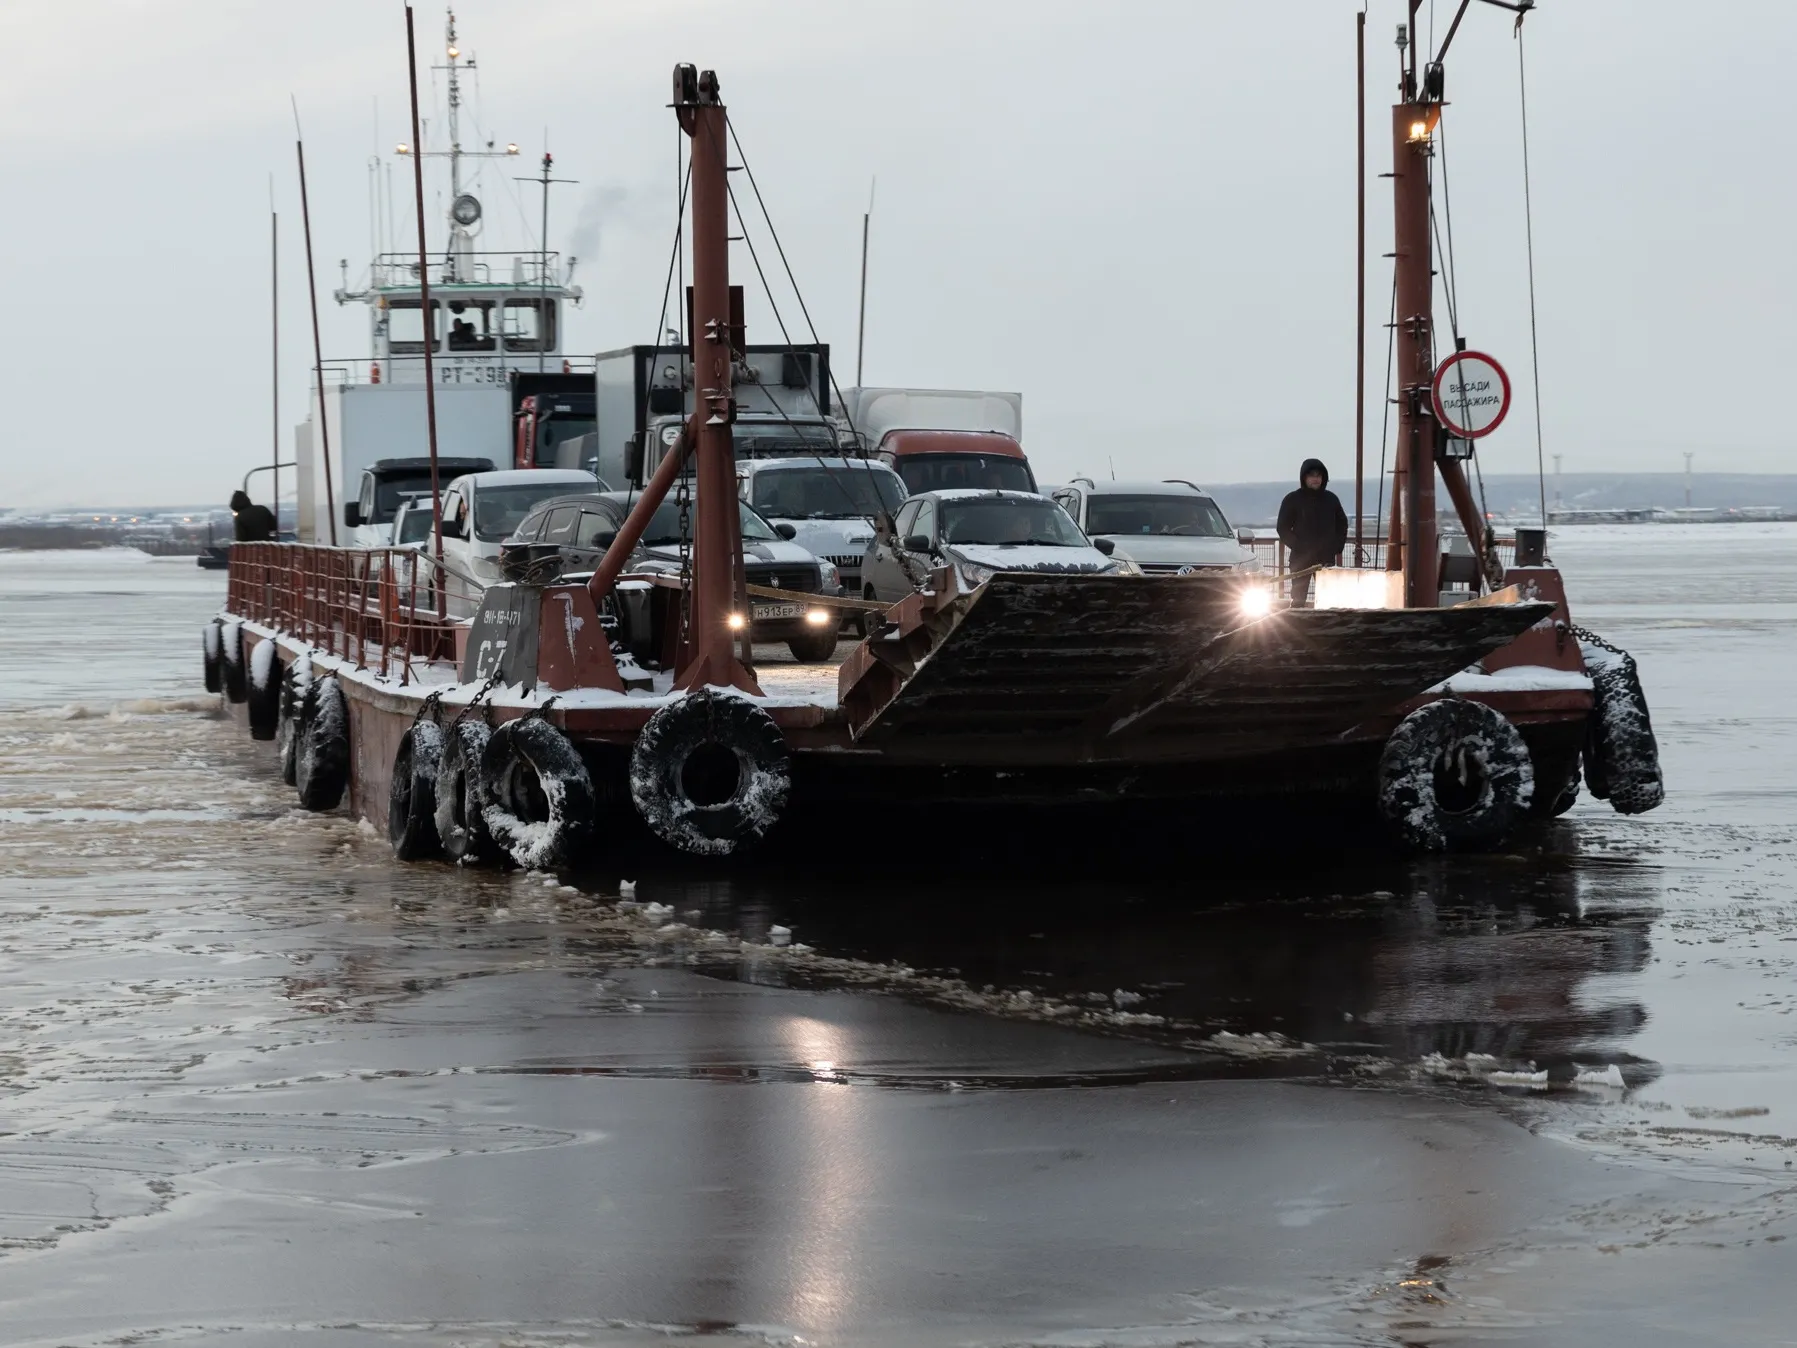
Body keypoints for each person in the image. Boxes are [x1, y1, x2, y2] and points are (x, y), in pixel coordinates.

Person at [1275, 458, 1348, 607]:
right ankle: (1297, 627)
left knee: (1329, 600)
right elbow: (1282, 527)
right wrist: (1298, 545)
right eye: (1312, 475)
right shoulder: (1292, 499)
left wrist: (1336, 546)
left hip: (1325, 559)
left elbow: (1342, 524)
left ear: (1323, 478)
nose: (1316, 479)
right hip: (1300, 559)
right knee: (1298, 599)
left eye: (1319, 475)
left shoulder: (1331, 500)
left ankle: (1329, 629)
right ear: (1304, 478)